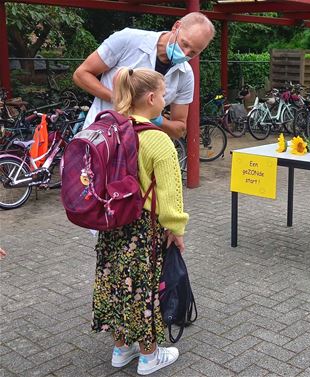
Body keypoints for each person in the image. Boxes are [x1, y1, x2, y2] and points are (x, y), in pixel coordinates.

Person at [92, 67, 189, 375]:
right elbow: (170, 195)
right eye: (163, 94)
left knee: (118, 282)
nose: (165, 100)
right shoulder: (157, 141)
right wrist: (176, 229)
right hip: (143, 226)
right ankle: (149, 355)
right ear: (150, 98)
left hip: (111, 223)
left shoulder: (110, 130)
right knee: (143, 287)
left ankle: (121, 348)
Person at [73, 12, 215, 139]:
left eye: (193, 53)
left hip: (141, 152)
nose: (184, 53)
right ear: (176, 26)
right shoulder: (128, 39)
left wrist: (156, 118)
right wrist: (121, 99)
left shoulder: (186, 75)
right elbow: (81, 74)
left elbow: (179, 129)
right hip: (99, 140)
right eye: (184, 44)